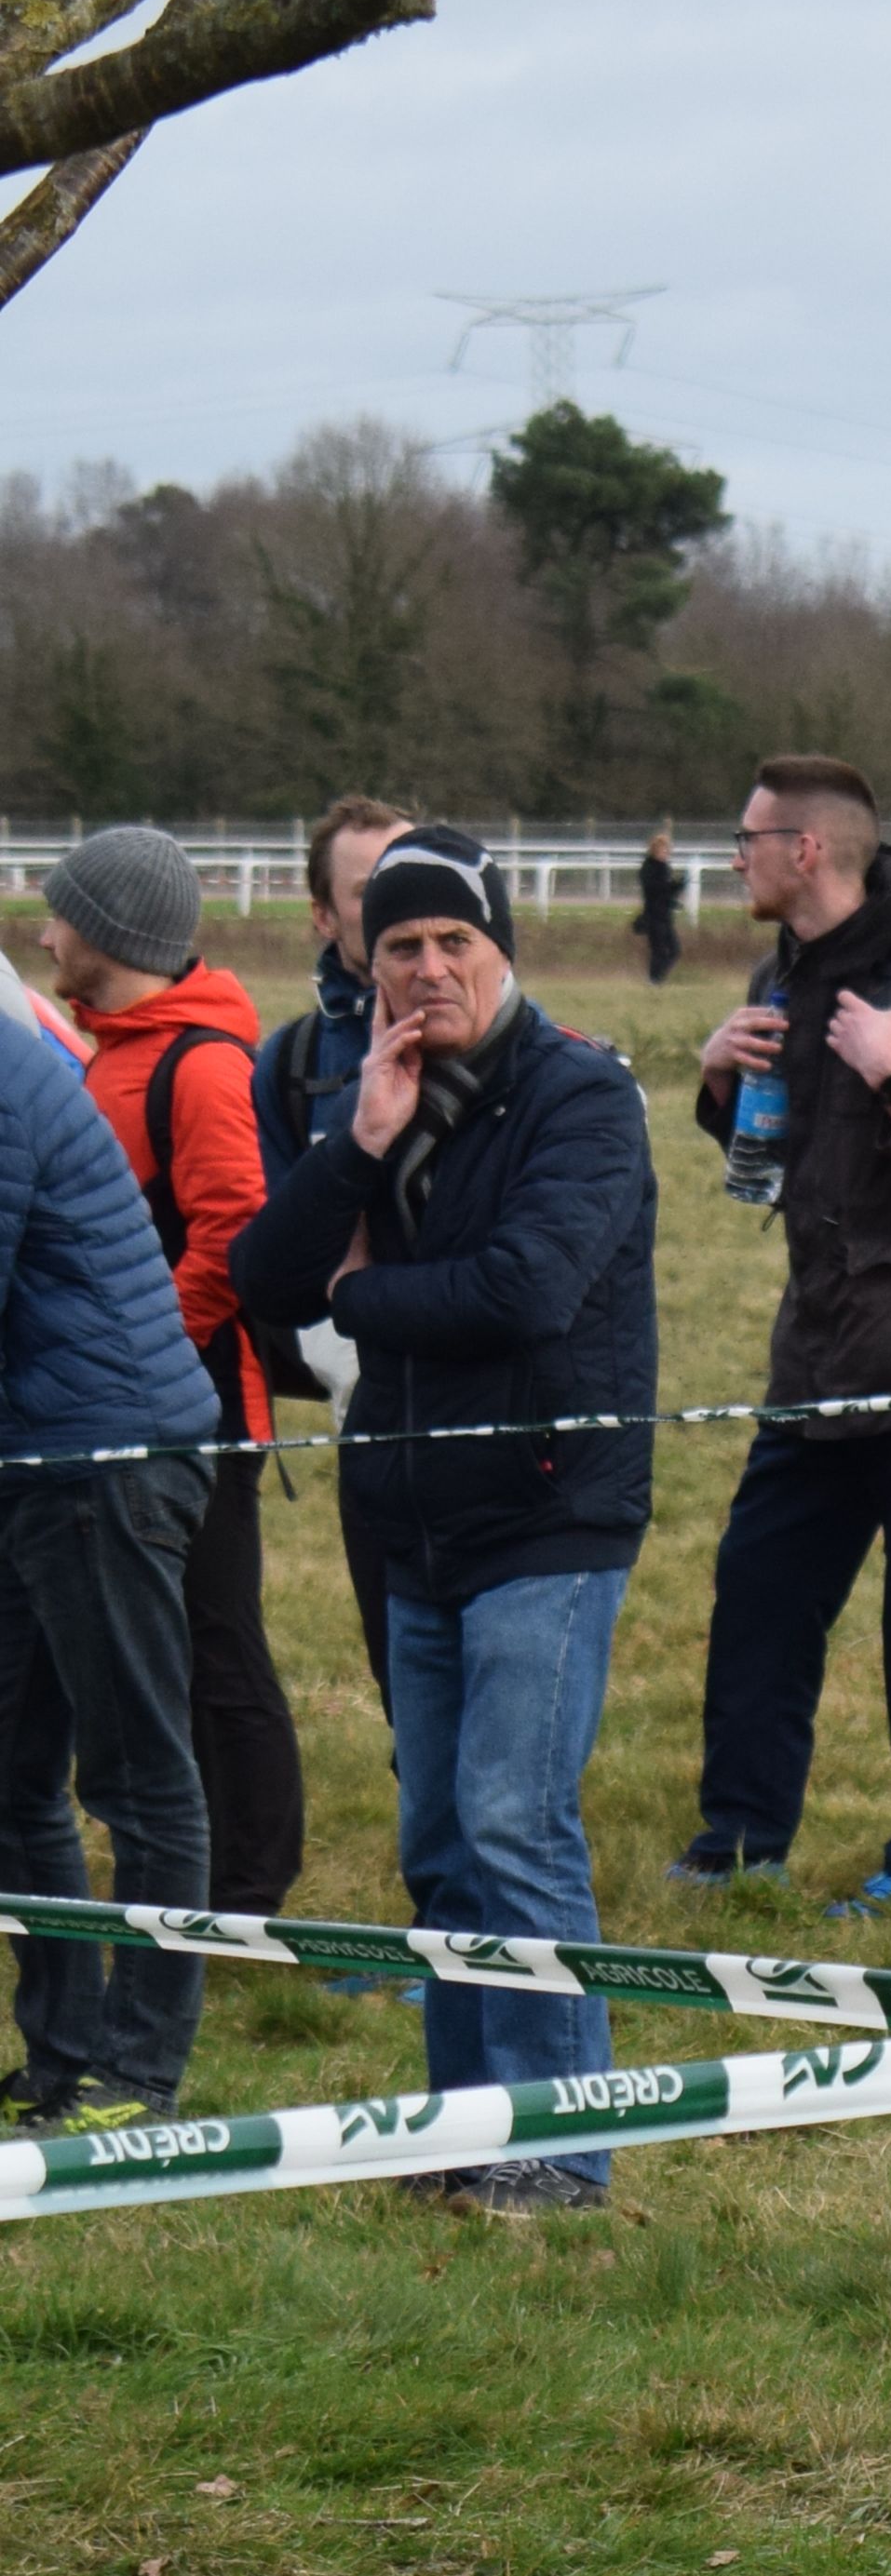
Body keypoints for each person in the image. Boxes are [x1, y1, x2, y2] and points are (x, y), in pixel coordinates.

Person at [230, 832, 657, 2220]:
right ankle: (468, 2132)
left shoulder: (582, 1093)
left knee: (515, 1823)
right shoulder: (372, 1090)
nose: (425, 970)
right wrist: (358, 1144)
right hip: (408, 1515)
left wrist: (356, 1301)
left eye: (453, 944)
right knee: (437, 1845)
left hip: (548, 1506)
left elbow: (526, 1290)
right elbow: (263, 1276)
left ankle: (562, 2150)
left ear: (500, 950)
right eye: (400, 947)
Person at [674, 754, 891, 1911]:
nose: (737, 859)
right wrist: (718, 1083)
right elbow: (773, 1165)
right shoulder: (783, 971)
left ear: (808, 849)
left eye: (749, 839)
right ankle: (737, 1844)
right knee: (759, 1602)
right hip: (819, 1358)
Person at [42, 823, 298, 1917]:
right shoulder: (106, 1051)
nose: (44, 934)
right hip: (117, 1408)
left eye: (60, 914)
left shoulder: (199, 1065)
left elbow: (234, 1235)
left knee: (217, 1647)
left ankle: (251, 1890)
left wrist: (137, 1347)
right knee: (158, 1651)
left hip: (196, 1410)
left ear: (108, 933)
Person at [0, 1006, 223, 2135]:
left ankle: (138, 2074)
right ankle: (62, 2053)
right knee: (11, 1778)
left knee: (136, 1774)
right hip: (34, 1451)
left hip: (104, 1455)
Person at [253, 792, 411, 1701]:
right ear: (321, 915)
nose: (398, 904)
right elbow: (276, 1259)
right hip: (370, 1408)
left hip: (506, 1413)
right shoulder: (289, 1065)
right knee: (403, 1667)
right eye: (368, 890)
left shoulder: (524, 1043)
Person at [635, 828, 682, 986]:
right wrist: (671, 888)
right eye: (663, 850)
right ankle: (654, 980)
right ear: (654, 850)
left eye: (667, 850)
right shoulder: (648, 868)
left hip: (665, 916)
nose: (665, 853)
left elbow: (667, 892)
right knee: (659, 950)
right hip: (653, 916)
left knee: (674, 950)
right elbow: (654, 891)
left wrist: (678, 887)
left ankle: (657, 979)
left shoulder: (665, 868)